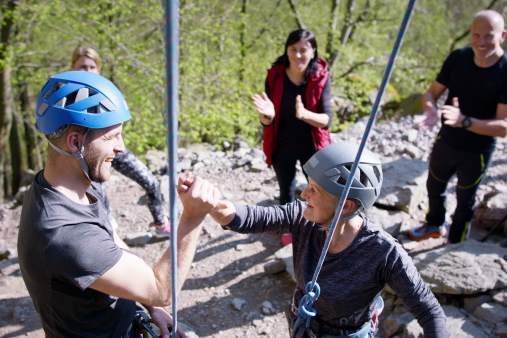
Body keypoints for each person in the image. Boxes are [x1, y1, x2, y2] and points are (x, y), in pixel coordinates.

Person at [181, 142, 449, 337]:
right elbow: (253, 217)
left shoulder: (384, 253)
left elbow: (429, 312)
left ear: (345, 206)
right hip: (303, 324)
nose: (303, 194)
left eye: (315, 190)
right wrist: (212, 204)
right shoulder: (303, 216)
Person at [17, 71, 208, 337]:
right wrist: (193, 217)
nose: (121, 148)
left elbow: (111, 242)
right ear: (75, 142)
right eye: (112, 136)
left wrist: (148, 305)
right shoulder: (66, 235)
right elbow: (162, 290)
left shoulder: (59, 186)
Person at [409, 10, 507, 244]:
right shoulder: (458, 58)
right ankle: (435, 224)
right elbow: (432, 93)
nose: (481, 43)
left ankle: (455, 242)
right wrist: (430, 111)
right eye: (477, 35)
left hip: (477, 150)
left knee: (465, 200)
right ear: (470, 33)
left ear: (503, 35)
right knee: (434, 186)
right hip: (447, 139)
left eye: (489, 36)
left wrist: (465, 121)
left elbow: (504, 127)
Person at [71, 46, 170, 236]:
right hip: (88, 155)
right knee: (100, 198)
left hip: (113, 147)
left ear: (98, 68)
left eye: (92, 67)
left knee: (149, 181)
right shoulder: (67, 96)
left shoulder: (105, 91)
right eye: (83, 66)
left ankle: (160, 223)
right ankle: (111, 238)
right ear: (73, 66)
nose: (87, 71)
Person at [253, 29, 332, 207]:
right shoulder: (274, 76)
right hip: (281, 147)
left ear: (313, 52)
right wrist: (267, 116)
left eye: (303, 50)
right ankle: (287, 229)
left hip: (312, 148)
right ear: (286, 50)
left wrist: (304, 114)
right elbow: (266, 121)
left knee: (319, 191)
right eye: (293, 49)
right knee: (286, 191)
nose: (297, 55)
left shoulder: (321, 78)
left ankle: (318, 227)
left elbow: (327, 121)